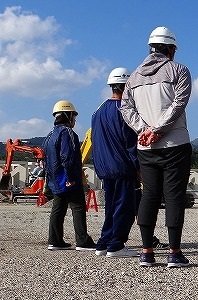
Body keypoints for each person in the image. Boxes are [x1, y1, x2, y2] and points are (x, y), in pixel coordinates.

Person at [120, 26, 193, 268]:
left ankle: (146, 252)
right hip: (175, 144)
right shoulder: (179, 70)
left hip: (146, 149)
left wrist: (143, 129)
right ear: (171, 50)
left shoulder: (133, 78)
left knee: (150, 195)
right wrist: (157, 129)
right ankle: (174, 252)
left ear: (151, 48)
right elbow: (179, 104)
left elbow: (126, 109)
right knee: (173, 196)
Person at [91, 68, 140, 258]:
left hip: (104, 167)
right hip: (122, 166)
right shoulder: (124, 110)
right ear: (127, 87)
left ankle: (103, 243)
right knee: (124, 207)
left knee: (110, 206)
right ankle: (116, 245)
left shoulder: (98, 111)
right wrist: (137, 166)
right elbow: (130, 142)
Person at [44, 100, 96, 251]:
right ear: (68, 115)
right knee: (78, 207)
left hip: (55, 181)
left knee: (58, 209)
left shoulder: (49, 136)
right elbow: (68, 157)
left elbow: (46, 160)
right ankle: (82, 241)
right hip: (68, 179)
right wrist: (71, 178)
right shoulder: (68, 133)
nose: (74, 119)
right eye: (73, 116)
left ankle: (55, 240)